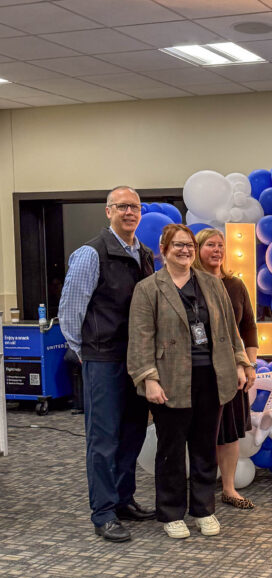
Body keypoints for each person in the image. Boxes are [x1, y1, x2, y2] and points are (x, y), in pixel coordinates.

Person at [127, 224, 251, 539]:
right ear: (164, 249)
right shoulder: (148, 288)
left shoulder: (212, 284)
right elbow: (140, 340)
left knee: (204, 448)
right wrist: (148, 380)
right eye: (178, 245)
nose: (185, 251)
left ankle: (203, 510)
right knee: (170, 449)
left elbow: (230, 331)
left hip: (212, 377)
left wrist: (240, 362)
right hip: (170, 380)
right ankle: (171, 514)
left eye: (189, 246)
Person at [59, 186, 156, 543]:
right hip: (102, 359)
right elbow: (70, 311)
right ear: (108, 212)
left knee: (131, 433)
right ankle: (102, 513)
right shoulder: (91, 253)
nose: (130, 212)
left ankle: (124, 499)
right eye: (122, 207)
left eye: (135, 207)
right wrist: (82, 351)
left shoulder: (144, 253)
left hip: (136, 361)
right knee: (103, 439)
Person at [194, 228, 258, 509]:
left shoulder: (235, 285)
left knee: (229, 432)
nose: (217, 250)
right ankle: (202, 492)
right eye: (210, 245)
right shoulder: (190, 284)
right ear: (197, 249)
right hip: (202, 371)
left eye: (221, 245)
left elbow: (249, 328)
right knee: (204, 432)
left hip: (235, 372)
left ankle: (229, 489)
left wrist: (250, 364)